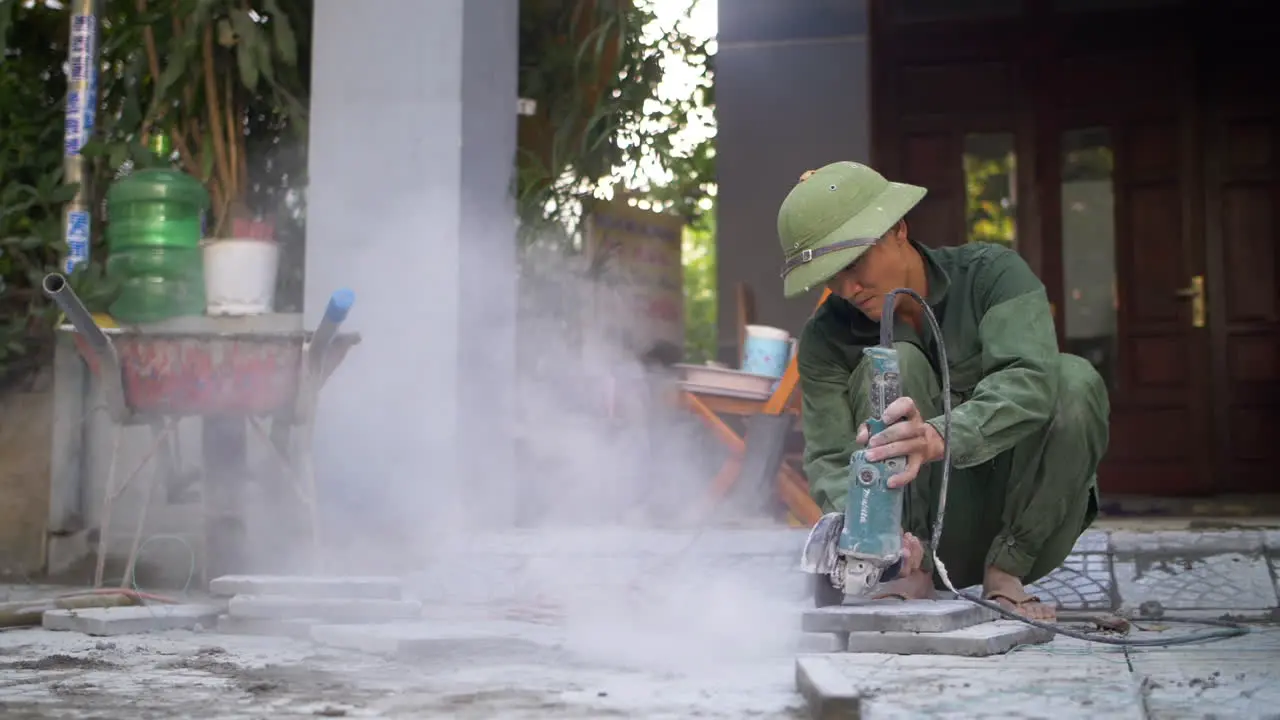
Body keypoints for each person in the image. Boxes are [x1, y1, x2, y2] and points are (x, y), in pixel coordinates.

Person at [778, 161, 1109, 621]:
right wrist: (874, 534)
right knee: (897, 366)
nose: (847, 288)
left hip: (1017, 518)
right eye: (830, 277)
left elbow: (1031, 381)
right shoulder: (824, 337)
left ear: (898, 229)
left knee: (1075, 380)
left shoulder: (993, 275)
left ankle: (1004, 574)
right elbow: (832, 459)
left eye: (854, 264)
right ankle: (909, 572)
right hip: (911, 541)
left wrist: (939, 435)